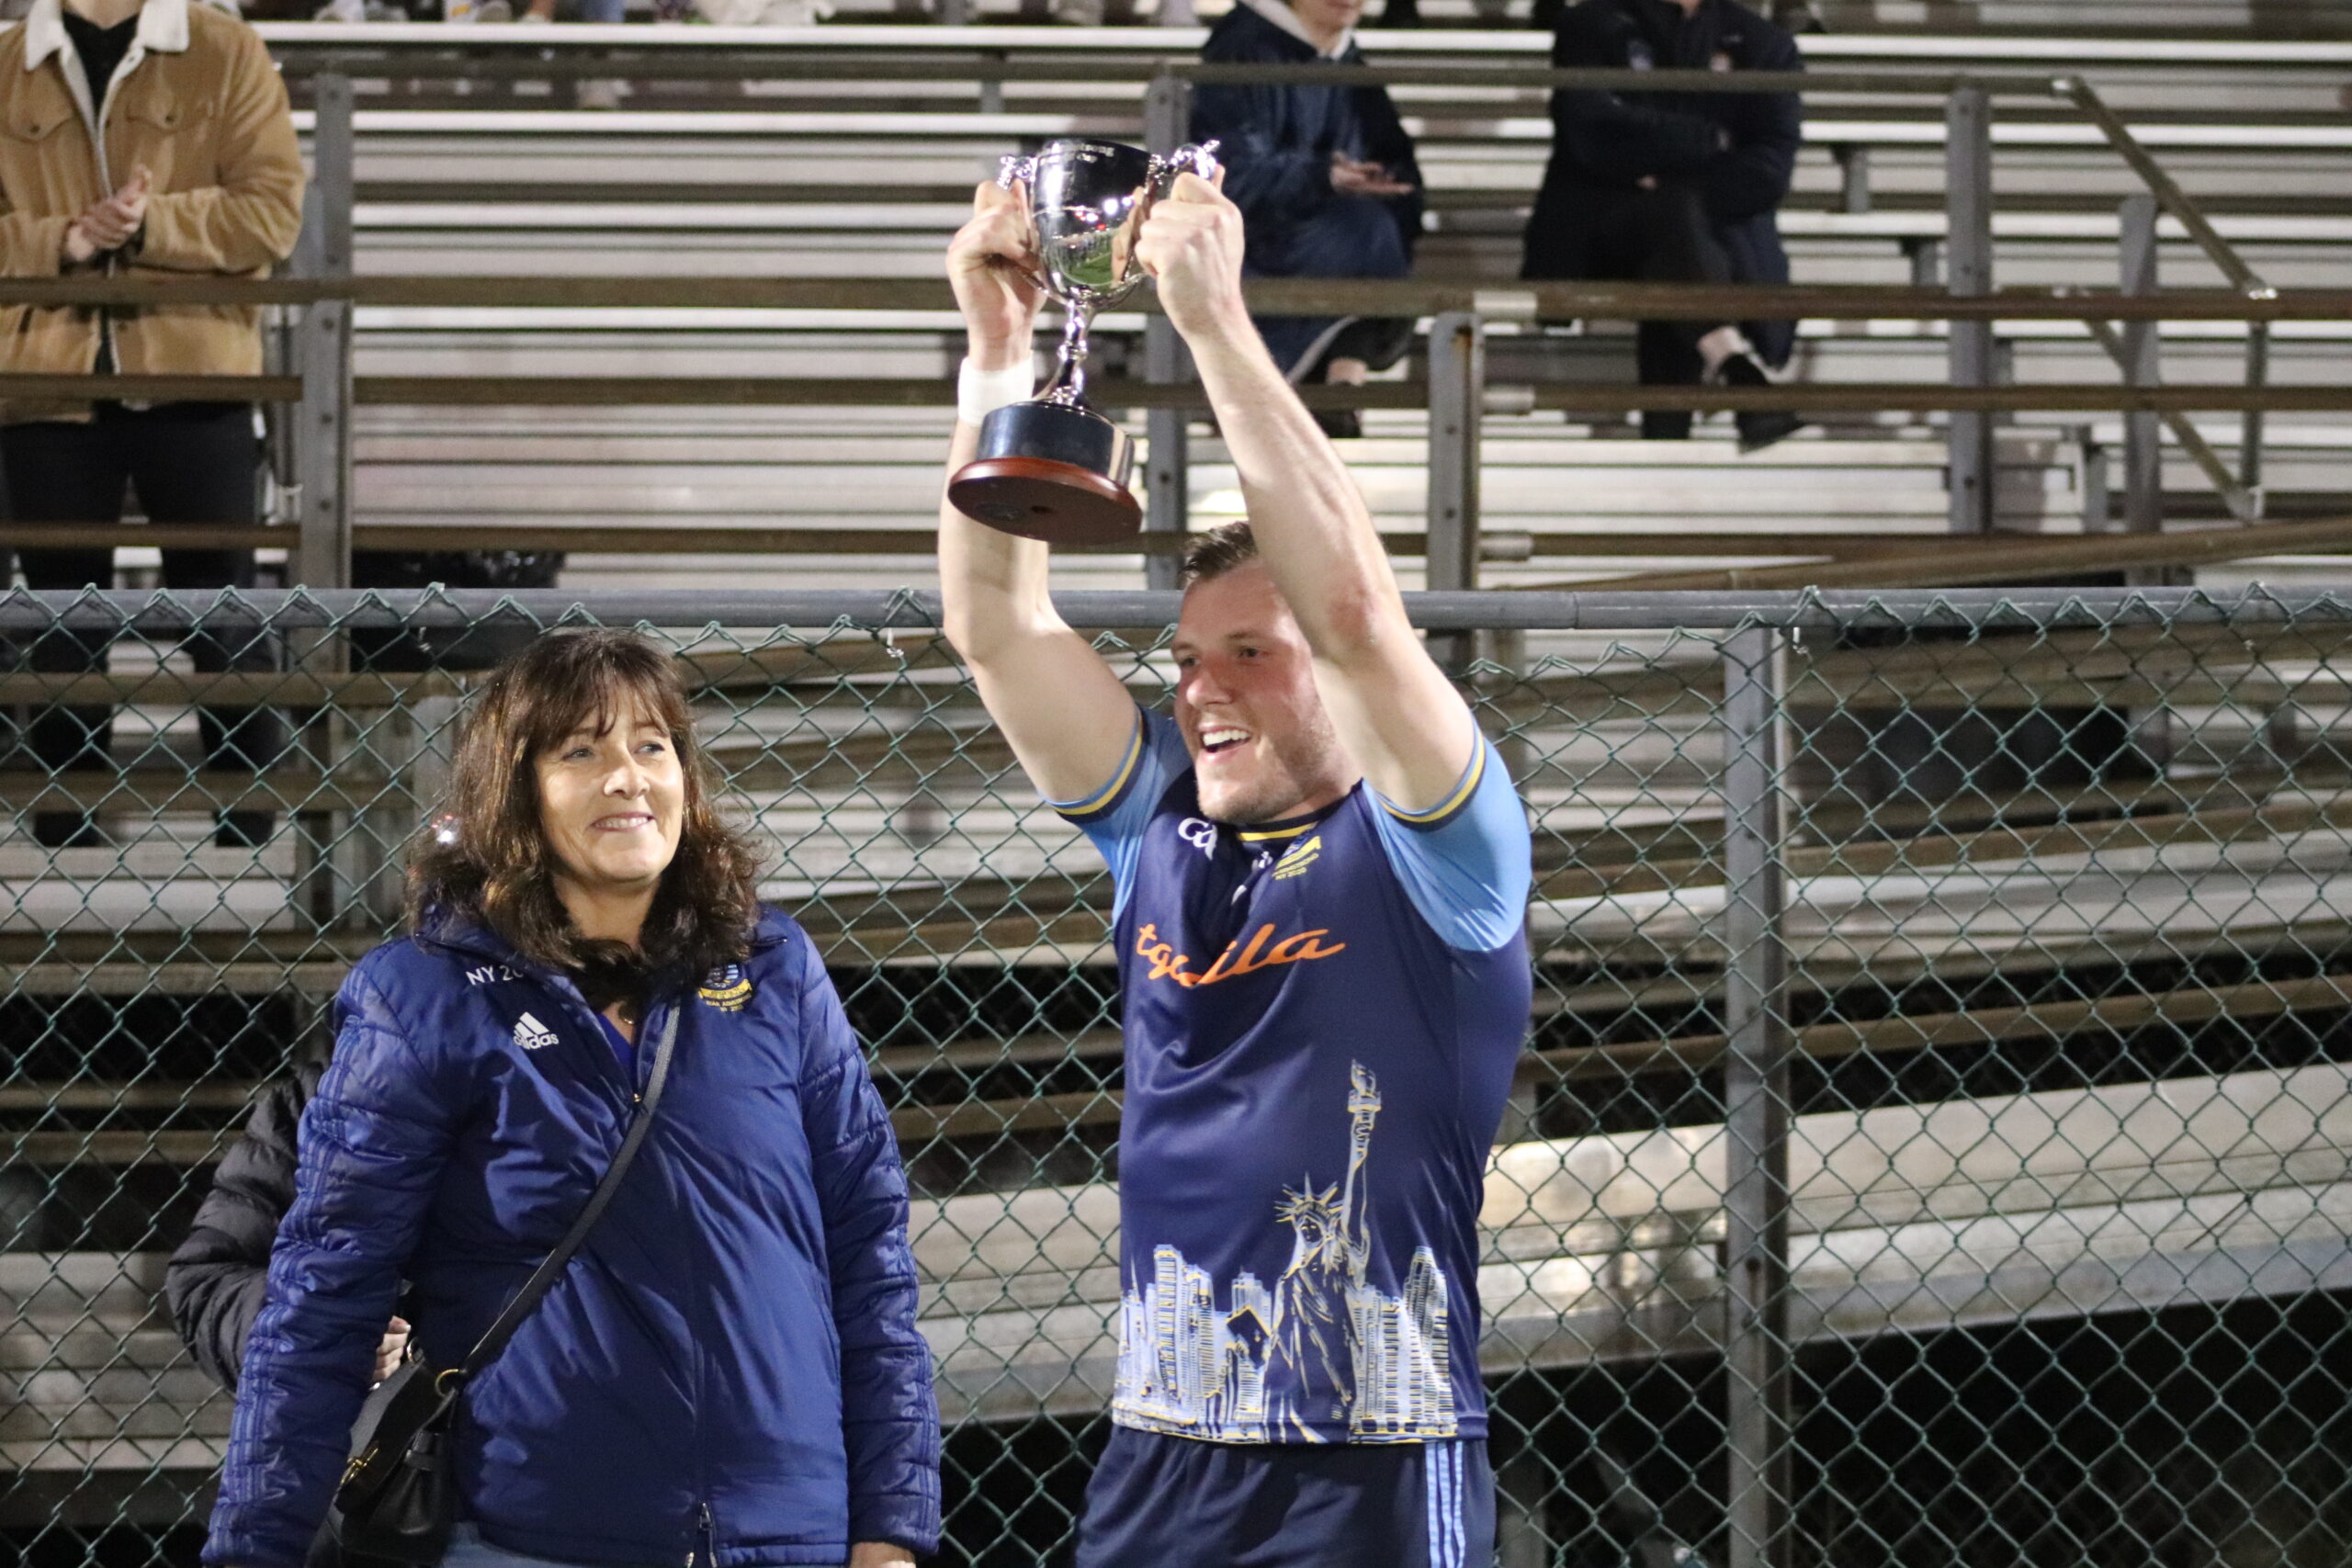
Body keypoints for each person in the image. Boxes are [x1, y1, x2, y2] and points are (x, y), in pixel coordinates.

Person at [942, 168, 1532, 1567]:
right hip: (1160, 1447)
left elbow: (1357, 613)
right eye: (1187, 660)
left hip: (1370, 1461)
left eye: (1249, 657)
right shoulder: (1161, 824)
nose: (1202, 690)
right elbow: (994, 625)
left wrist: (1212, 320)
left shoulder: (1440, 849)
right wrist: (996, 349)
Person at [202, 628, 940, 1568]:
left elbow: (869, 1264)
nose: (627, 778)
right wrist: (253, 1549)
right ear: (517, 795)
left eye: (650, 746)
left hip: (792, 1534)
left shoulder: (776, 971)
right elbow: (323, 1296)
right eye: (580, 751)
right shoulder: (421, 995)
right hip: (530, 1535)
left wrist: (890, 1530)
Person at [0, 0, 305, 848]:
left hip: (194, 376)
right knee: (59, 614)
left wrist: (150, 223)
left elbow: (274, 211)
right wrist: (57, 238)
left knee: (225, 605)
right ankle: (70, 814)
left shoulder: (225, 48)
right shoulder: (7, 60)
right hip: (44, 378)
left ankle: (248, 814)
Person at [1521, 0, 1805, 451]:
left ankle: (1674, 435)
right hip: (1600, 229)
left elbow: (1769, 168)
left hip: (1701, 238)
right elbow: (1591, 130)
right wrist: (1710, 141)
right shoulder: (1592, 23)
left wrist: (1675, 183)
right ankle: (1734, 369)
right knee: (1676, 231)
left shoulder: (1763, 43)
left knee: (1674, 238)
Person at [1191, 0, 1424, 438]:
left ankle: (1338, 383)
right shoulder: (1242, 49)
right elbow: (1231, 171)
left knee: (1378, 225)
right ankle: (1328, 385)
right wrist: (1324, 176)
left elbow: (1392, 153)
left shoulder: (1347, 58)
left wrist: (1380, 178)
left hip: (1334, 224)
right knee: (1369, 232)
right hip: (1260, 234)